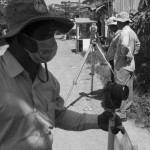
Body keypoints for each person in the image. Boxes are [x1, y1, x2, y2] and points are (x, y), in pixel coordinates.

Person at [0, 0, 122, 150]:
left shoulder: (48, 81)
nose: (52, 42)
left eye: (52, 35)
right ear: (20, 38)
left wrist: (97, 121)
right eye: (45, 35)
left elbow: (58, 115)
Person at [108, 12, 140, 121]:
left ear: (121, 22)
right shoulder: (132, 32)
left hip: (123, 66)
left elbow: (124, 45)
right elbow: (138, 45)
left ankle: (121, 113)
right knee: (129, 89)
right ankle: (127, 109)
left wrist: (126, 55)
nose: (116, 24)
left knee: (121, 90)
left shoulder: (124, 32)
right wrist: (132, 54)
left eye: (117, 22)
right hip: (131, 66)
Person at [105, 16, 121, 82]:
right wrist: (106, 39)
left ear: (114, 26)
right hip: (113, 59)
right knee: (113, 75)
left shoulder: (120, 34)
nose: (109, 28)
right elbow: (113, 43)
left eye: (109, 26)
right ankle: (114, 87)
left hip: (116, 60)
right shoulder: (116, 33)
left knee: (115, 76)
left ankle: (115, 89)